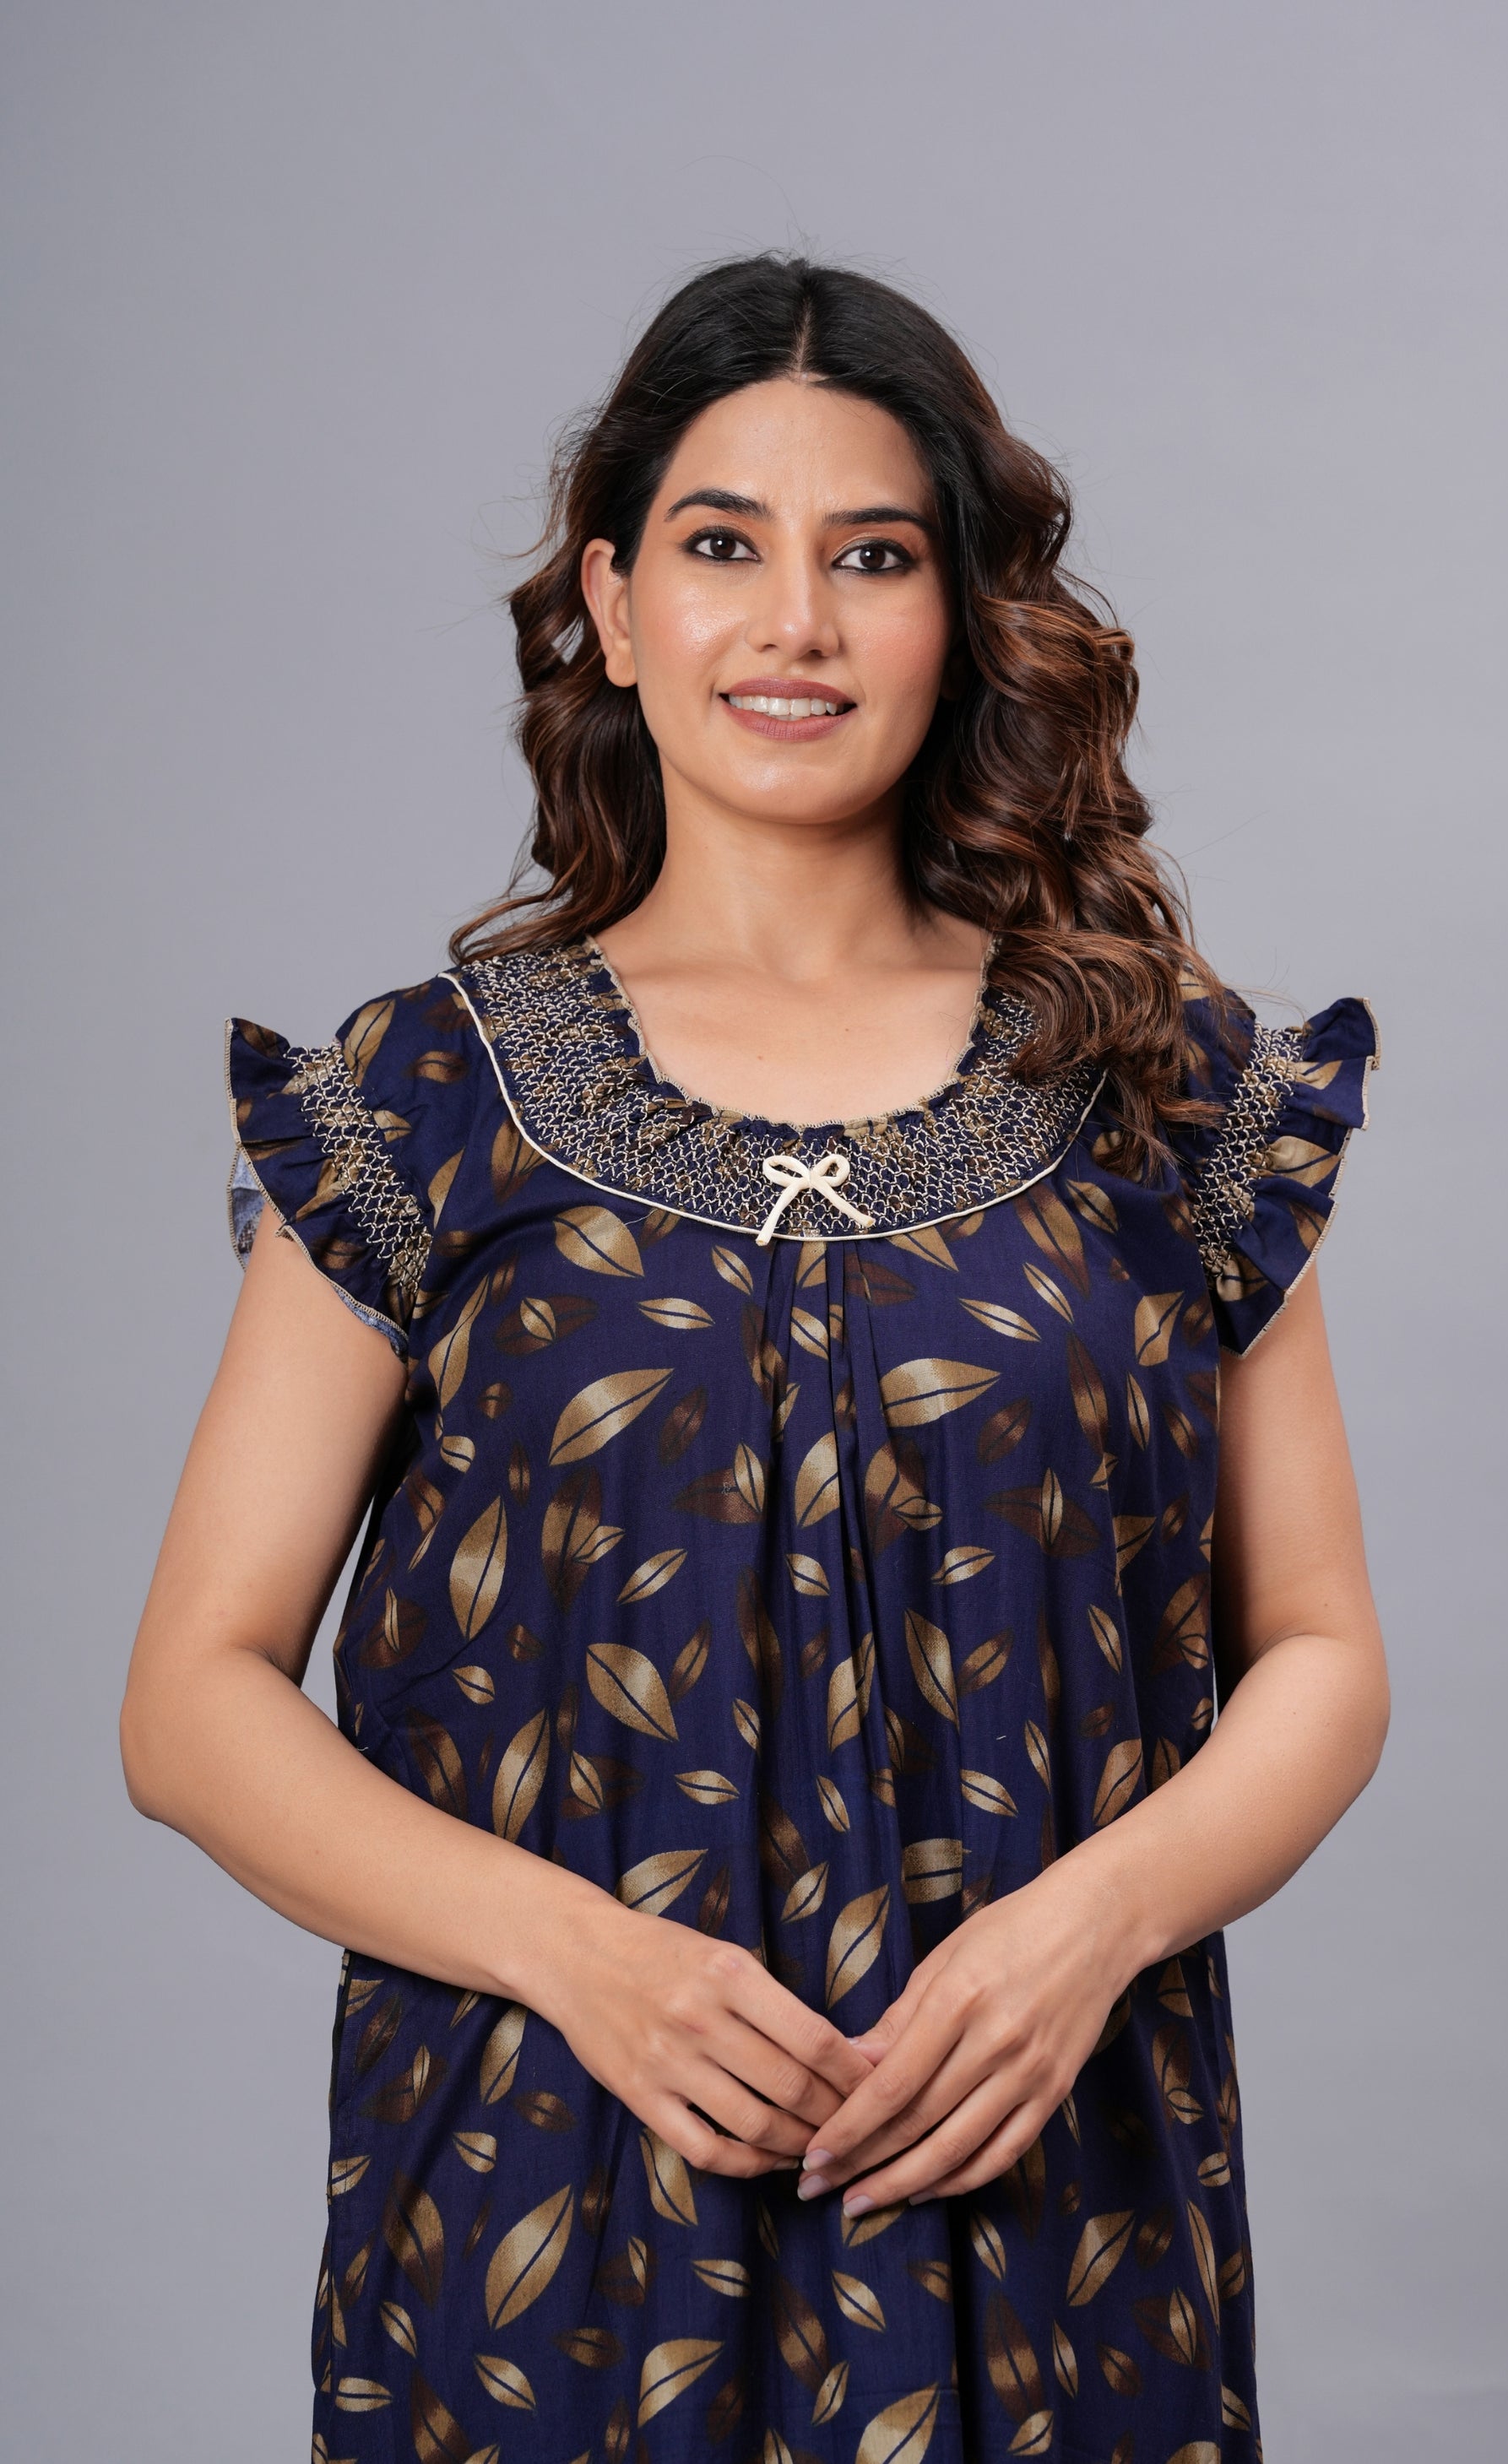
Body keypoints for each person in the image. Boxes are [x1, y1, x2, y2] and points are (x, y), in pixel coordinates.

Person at [121, 253, 1388, 2462]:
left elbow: (1321, 1650)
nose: (794, 623)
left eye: (871, 557)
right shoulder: (428, 1103)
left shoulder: (1159, 1089)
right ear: (615, 606)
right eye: (723, 546)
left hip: (1045, 2185)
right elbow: (192, 1704)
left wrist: (1088, 1930)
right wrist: (586, 1961)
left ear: (962, 614)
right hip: (549, 2200)